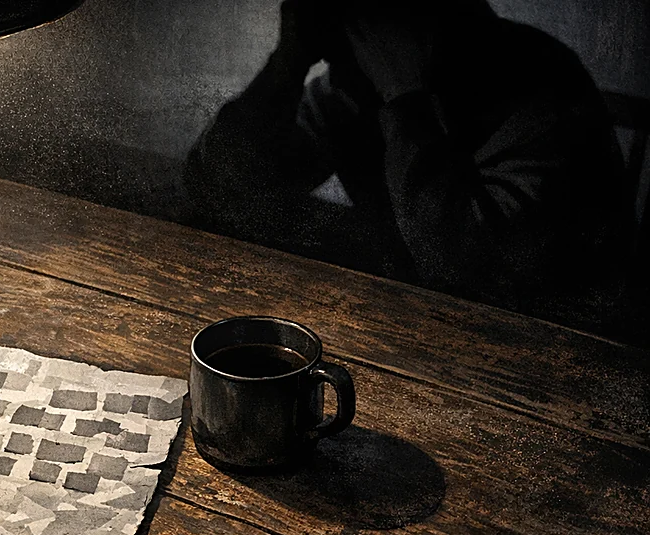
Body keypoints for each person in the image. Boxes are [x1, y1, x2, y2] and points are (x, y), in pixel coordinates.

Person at [184, 0, 635, 336]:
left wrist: (404, 96)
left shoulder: (539, 87)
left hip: (552, 341)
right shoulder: (361, 83)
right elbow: (217, 184)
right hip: (414, 317)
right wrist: (288, 61)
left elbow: (463, 273)